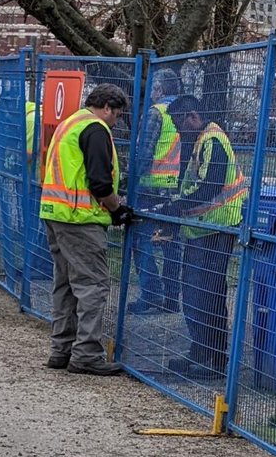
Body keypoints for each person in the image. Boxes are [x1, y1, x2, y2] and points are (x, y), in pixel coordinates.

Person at [39, 83, 135, 376]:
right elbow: (100, 183)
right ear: (106, 107)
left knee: (65, 285)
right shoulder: (95, 129)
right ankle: (86, 354)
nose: (116, 122)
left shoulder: (70, 123)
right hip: (80, 218)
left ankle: (62, 349)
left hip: (56, 213)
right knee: (92, 286)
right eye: (117, 115)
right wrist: (117, 209)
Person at [159, 95, 247, 380]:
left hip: (216, 230)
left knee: (208, 296)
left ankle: (215, 360)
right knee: (194, 294)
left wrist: (175, 208)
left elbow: (209, 188)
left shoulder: (213, 141)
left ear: (193, 116)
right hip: (201, 229)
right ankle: (200, 351)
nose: (177, 130)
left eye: (178, 123)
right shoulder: (201, 141)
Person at [129, 69, 182, 314]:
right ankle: (171, 298)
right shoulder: (187, 112)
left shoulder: (156, 113)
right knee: (172, 244)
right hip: (176, 189)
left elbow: (144, 152)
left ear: (159, 89)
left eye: (153, 89)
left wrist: (131, 182)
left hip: (150, 187)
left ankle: (151, 295)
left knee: (141, 241)